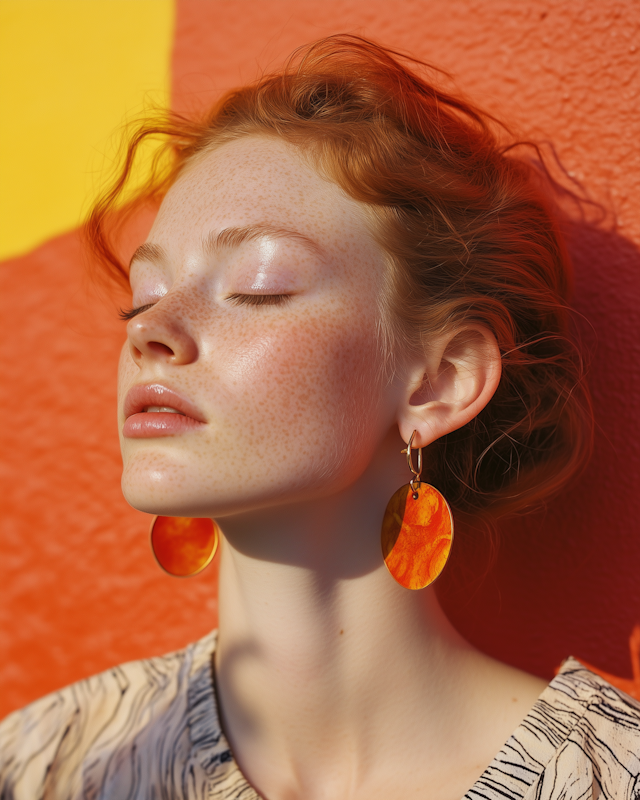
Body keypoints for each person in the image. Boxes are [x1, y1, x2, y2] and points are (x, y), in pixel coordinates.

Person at [1, 34, 639, 800]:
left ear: (440, 381)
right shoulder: (47, 769)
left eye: (258, 285)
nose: (149, 331)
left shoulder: (606, 780)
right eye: (144, 295)